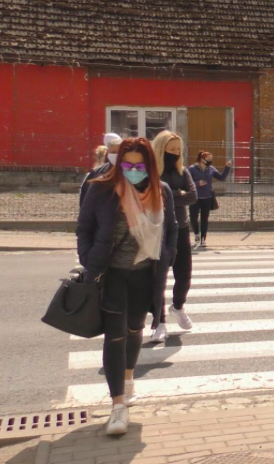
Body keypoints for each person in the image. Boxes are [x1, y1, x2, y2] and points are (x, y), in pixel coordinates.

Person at [76, 137, 177, 436]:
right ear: (119, 163)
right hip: (112, 274)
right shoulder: (102, 188)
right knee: (115, 335)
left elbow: (171, 230)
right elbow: (84, 228)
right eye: (128, 164)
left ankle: (129, 379)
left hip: (146, 274)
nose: (133, 170)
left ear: (149, 165)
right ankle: (117, 405)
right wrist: (89, 259)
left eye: (139, 165)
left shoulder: (162, 191)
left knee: (135, 329)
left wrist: (168, 258)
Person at [148, 131, 198, 344]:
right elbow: (152, 199)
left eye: (179, 150)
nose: (177, 153)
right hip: (157, 230)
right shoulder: (152, 172)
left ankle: (178, 306)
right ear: (161, 150)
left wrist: (171, 195)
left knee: (184, 276)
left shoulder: (183, 171)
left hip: (182, 228)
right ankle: (159, 323)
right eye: (172, 150)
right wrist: (178, 194)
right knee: (158, 279)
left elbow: (194, 196)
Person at [188, 151, 232, 249]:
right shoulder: (192, 169)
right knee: (193, 218)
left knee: (205, 219)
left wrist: (227, 167)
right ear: (201, 159)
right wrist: (197, 183)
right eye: (208, 159)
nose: (210, 161)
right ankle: (196, 234)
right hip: (195, 197)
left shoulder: (211, 169)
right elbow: (187, 182)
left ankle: (203, 239)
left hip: (207, 197)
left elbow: (221, 178)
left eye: (211, 159)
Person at [80, 133, 122, 206]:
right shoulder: (95, 175)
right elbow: (85, 203)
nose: (116, 155)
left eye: (118, 152)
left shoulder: (128, 173)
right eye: (113, 152)